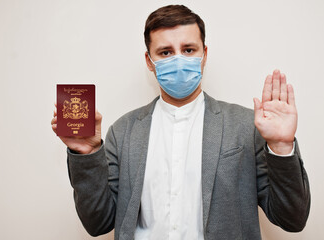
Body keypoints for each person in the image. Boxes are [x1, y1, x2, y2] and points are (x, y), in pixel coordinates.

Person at [51, 5, 310, 240]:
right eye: (165, 52)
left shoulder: (245, 125)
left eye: (188, 50)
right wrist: (86, 153)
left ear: (204, 54)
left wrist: (281, 147)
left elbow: (292, 219)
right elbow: (98, 223)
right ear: (149, 61)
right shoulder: (123, 131)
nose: (178, 60)